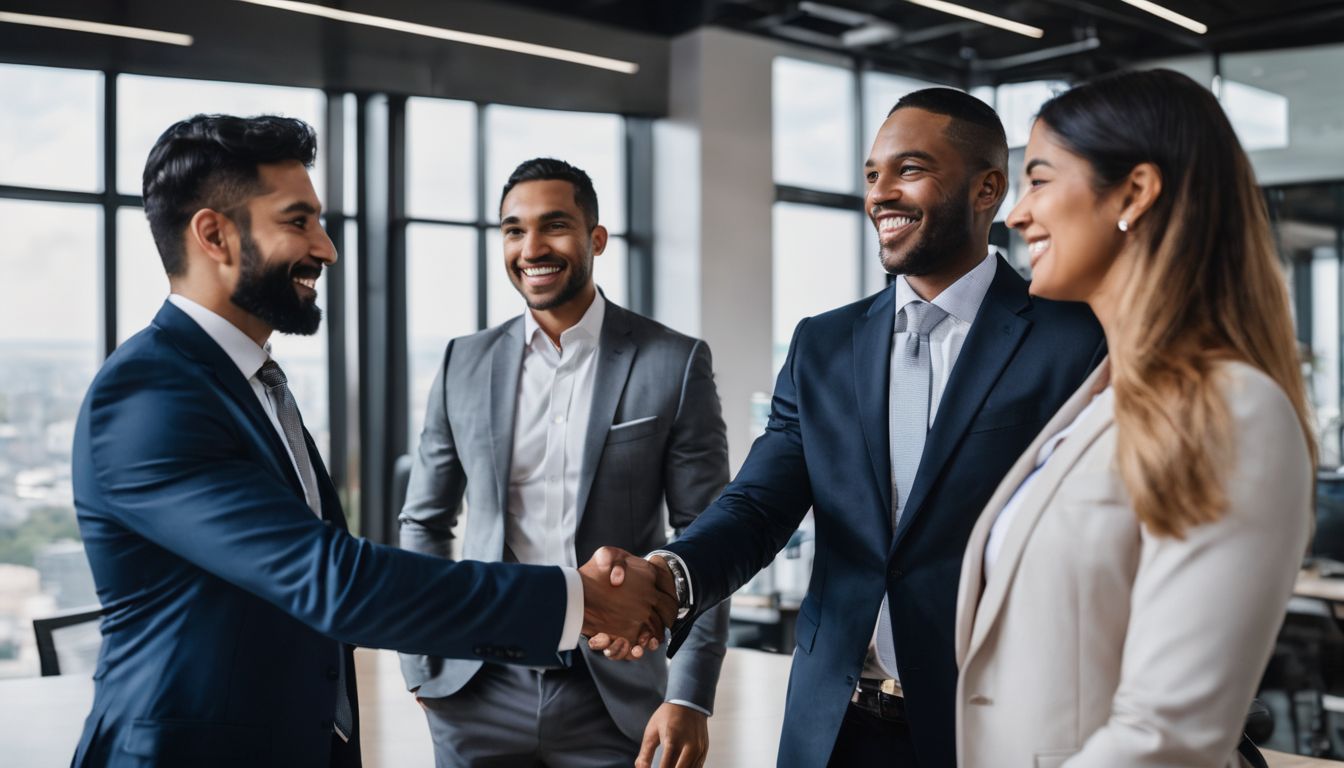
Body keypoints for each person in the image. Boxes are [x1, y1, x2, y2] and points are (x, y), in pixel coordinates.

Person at [70, 115, 671, 768]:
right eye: (298, 222)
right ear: (214, 235)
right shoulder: (150, 396)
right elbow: (335, 581)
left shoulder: (247, 382)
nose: (325, 248)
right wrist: (577, 601)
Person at [596, 88, 1104, 766]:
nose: (881, 195)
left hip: (990, 728)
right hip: (833, 725)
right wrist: (669, 575)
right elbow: (757, 507)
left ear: (987, 189)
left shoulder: (1075, 340)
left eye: (911, 170)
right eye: (872, 175)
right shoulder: (823, 345)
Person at [952, 69, 1315, 767]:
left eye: (1040, 179)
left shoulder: (1231, 412)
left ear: (1136, 193)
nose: (1016, 214)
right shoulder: (1097, 402)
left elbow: (1167, 737)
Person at [397, 157, 730, 768]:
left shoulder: (673, 362)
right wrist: (423, 663)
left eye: (553, 226)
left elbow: (708, 537)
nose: (532, 248)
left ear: (595, 238)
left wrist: (691, 695)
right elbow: (424, 521)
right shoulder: (462, 363)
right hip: (476, 682)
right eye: (513, 230)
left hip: (616, 691)